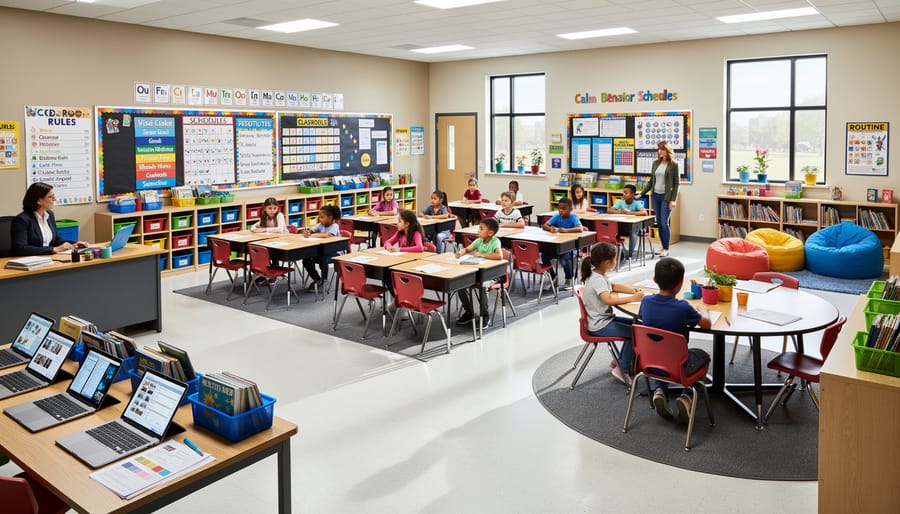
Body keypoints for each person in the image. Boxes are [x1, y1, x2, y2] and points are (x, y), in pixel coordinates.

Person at [638, 257, 711, 423]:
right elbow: (706, 323)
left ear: (655, 279)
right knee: (703, 356)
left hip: (649, 361)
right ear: (681, 282)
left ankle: (660, 390)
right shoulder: (683, 307)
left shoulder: (646, 301)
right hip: (678, 365)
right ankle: (686, 397)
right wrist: (703, 310)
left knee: (662, 353)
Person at [580, 243, 644, 385]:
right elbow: (608, 300)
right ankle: (622, 368)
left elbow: (613, 286)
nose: (616, 261)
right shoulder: (597, 279)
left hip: (602, 320)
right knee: (636, 333)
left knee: (638, 326)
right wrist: (633, 299)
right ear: (608, 262)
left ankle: (620, 360)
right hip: (600, 325)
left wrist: (633, 290)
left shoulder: (598, 274)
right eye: (616, 259)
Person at [11, 182, 88, 256]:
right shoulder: (22, 220)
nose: (54, 199)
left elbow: (56, 240)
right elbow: (20, 248)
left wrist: (72, 244)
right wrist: (53, 249)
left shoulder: (49, 215)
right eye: (51, 197)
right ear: (39, 201)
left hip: (49, 258)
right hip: (30, 261)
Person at [454, 217, 502, 325]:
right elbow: (467, 249)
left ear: (490, 233)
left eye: (481, 229)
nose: (478, 231)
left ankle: (485, 314)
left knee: (483, 286)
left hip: (492, 274)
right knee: (459, 284)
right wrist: (462, 252)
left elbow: (499, 255)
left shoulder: (495, 241)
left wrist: (482, 255)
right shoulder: (479, 241)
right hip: (478, 273)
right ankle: (469, 311)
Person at [639, 141, 679, 257]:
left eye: (662, 149)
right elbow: (651, 181)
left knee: (664, 222)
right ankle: (662, 247)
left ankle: (666, 248)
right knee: (660, 224)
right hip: (655, 196)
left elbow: (677, 184)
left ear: (668, 150)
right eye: (659, 149)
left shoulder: (674, 164)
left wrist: (673, 200)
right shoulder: (656, 163)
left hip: (666, 197)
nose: (660, 151)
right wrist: (641, 194)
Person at [541, 197, 582, 291]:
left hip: (573, 247)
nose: (561, 210)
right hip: (559, 246)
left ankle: (569, 279)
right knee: (544, 256)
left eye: (564, 208)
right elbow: (544, 225)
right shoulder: (557, 216)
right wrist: (550, 229)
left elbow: (580, 228)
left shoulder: (573, 217)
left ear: (570, 209)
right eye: (559, 208)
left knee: (564, 258)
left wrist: (567, 231)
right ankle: (553, 277)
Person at [301, 205, 342, 291]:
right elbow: (311, 230)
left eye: (322, 217)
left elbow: (328, 235)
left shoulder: (334, 226)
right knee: (306, 259)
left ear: (330, 218)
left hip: (335, 252)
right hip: (322, 251)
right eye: (319, 217)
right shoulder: (320, 225)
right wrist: (307, 232)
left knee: (323, 258)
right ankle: (317, 279)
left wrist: (312, 235)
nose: (320, 219)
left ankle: (324, 279)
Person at [607, 184, 649, 259]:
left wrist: (629, 213)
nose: (624, 195)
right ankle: (615, 253)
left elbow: (645, 213)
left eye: (626, 193)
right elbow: (609, 210)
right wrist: (619, 212)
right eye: (623, 193)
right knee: (613, 230)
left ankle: (630, 254)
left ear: (632, 194)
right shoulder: (620, 202)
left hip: (637, 228)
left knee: (633, 232)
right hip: (624, 228)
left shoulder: (637, 203)